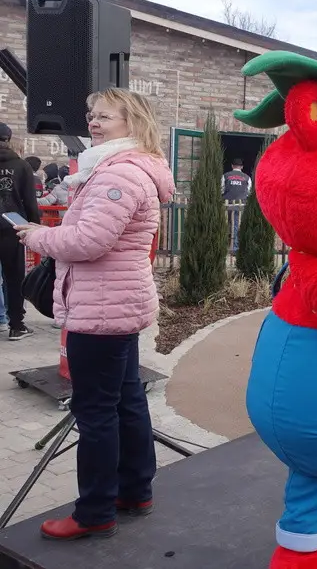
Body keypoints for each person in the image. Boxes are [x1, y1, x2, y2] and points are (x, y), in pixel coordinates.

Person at [17, 88, 175, 541]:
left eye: (104, 116)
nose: (93, 122)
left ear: (132, 121)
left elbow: (87, 242)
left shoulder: (119, 175)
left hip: (101, 311)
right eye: (91, 114)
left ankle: (94, 512)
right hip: (115, 306)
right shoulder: (124, 168)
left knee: (97, 413)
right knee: (126, 403)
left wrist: (35, 236)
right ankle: (134, 491)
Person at [0, 122, 41, 340]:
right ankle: (16, 325)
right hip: (12, 227)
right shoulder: (21, 166)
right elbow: (30, 202)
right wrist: (35, 228)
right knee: (14, 277)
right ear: (8, 139)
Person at [222, 158, 251, 252]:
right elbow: (249, 192)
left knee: (226, 224)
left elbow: (221, 189)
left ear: (232, 166)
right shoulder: (247, 177)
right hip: (240, 205)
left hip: (227, 204)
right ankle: (235, 247)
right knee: (236, 225)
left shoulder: (225, 176)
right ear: (242, 167)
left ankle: (224, 245)